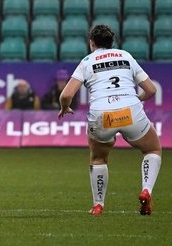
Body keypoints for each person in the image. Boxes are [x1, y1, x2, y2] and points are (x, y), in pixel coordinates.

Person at [58, 24, 161, 216]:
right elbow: (151, 90)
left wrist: (65, 108)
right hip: (130, 112)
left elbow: (66, 95)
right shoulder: (125, 56)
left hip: (102, 115)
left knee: (98, 159)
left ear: (91, 42)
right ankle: (146, 190)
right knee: (152, 149)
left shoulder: (87, 61)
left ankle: (98, 205)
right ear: (111, 42)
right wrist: (135, 100)